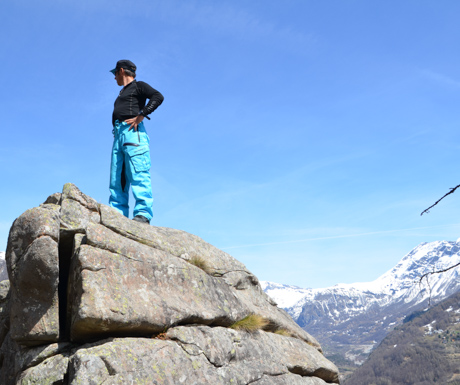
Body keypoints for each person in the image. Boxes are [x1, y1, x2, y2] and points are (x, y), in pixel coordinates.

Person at [109, 60, 164, 224]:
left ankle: (143, 214)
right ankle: (116, 215)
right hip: (119, 134)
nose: (114, 78)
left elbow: (158, 96)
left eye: (115, 74)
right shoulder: (121, 92)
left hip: (133, 133)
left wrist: (142, 114)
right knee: (117, 177)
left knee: (138, 173)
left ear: (121, 71)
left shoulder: (139, 86)